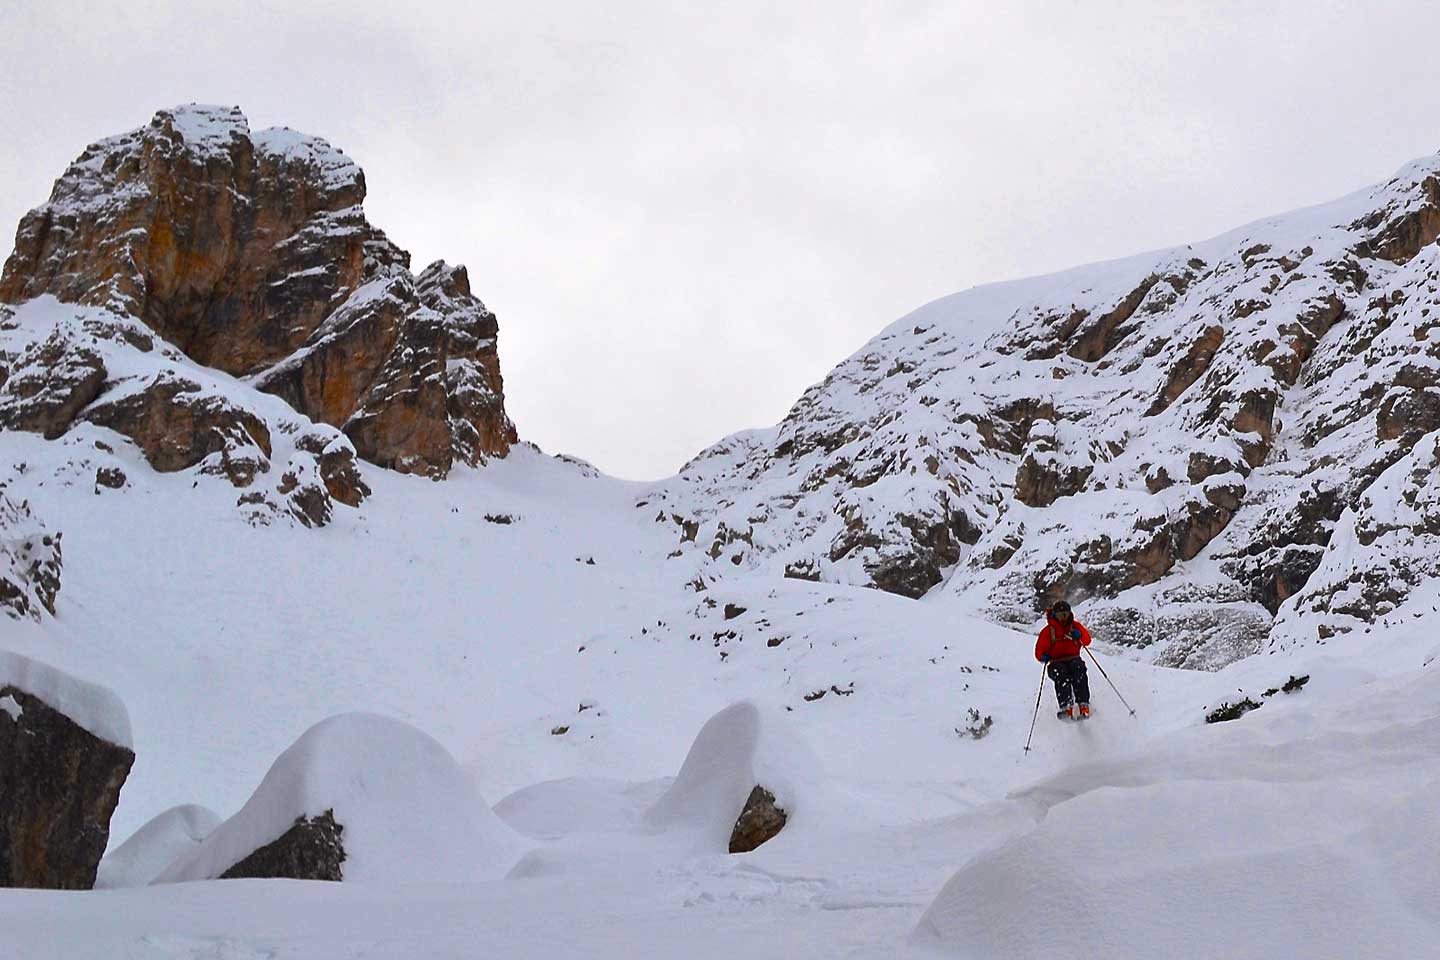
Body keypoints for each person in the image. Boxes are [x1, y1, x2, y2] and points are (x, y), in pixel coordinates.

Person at [1035, 600, 1092, 720]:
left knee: (1078, 669)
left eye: (1065, 614)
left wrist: (1080, 636)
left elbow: (1087, 640)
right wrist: (1043, 656)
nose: (1063, 618)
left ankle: (1083, 704)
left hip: (1074, 658)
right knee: (1060, 672)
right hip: (1056, 661)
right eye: (1060, 615)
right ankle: (1066, 706)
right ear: (1054, 615)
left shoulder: (1075, 626)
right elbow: (1039, 652)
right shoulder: (1048, 631)